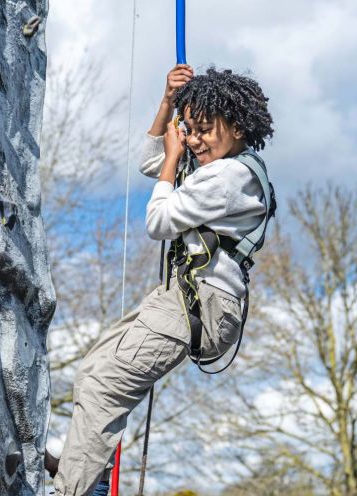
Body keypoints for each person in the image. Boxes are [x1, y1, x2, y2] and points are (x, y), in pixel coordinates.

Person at [50, 64, 275, 496]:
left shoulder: (229, 177)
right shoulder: (217, 166)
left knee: (106, 385)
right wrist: (168, 106)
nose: (194, 139)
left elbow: (160, 220)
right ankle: (88, 472)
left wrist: (175, 157)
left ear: (239, 127)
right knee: (94, 371)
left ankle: (74, 488)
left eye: (204, 129)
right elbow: (153, 161)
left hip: (201, 303)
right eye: (188, 130)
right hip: (183, 295)